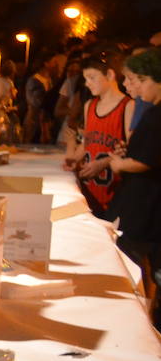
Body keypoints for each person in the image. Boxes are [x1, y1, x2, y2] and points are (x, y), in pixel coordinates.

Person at [89, 48, 161, 329]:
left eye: (138, 80)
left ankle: (142, 323)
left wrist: (119, 163)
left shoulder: (156, 115)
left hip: (147, 208)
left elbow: (145, 162)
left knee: (134, 262)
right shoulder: (153, 112)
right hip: (144, 205)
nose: (134, 88)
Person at [69, 52, 134, 216]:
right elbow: (87, 142)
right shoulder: (89, 105)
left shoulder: (127, 106)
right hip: (88, 190)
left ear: (110, 74)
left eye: (92, 77)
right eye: (85, 79)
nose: (87, 83)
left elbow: (131, 150)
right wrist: (73, 159)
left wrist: (103, 163)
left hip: (113, 194)